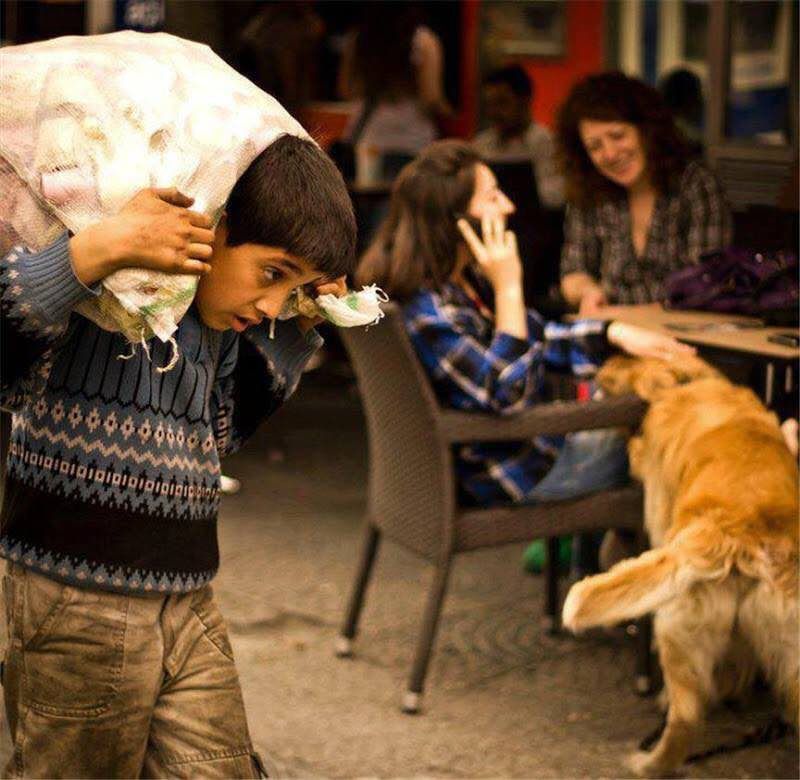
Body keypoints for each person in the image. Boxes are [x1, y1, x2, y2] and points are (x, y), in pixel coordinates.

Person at [0, 133, 356, 777]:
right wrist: (91, 253)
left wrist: (300, 327)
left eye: (293, 286)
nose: (273, 302)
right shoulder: (111, 286)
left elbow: (223, 431)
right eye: (272, 274)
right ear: (212, 228)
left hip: (187, 597)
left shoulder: (211, 322)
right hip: (73, 601)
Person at [356, 140, 693, 528]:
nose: (509, 208)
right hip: (512, 474)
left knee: (660, 435)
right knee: (671, 444)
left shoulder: (453, 286)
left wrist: (610, 333)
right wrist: (509, 288)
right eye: (493, 198)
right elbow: (507, 394)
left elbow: (534, 338)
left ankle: (596, 566)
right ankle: (618, 573)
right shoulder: (430, 312)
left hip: (508, 457)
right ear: (455, 220)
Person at [557, 71, 732, 316]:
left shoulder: (695, 185)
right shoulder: (589, 191)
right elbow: (573, 272)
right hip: (614, 332)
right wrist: (588, 292)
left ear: (647, 130)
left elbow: (706, 286)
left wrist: (625, 315)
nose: (609, 154)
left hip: (683, 335)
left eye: (617, 136)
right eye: (595, 146)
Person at [336, 3, 452, 180]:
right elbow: (431, 98)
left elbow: (346, 90)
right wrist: (451, 115)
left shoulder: (359, 39)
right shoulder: (423, 41)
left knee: (370, 199)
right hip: (412, 138)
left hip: (369, 138)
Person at [473, 64, 564, 209]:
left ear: (524, 101)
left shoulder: (547, 143)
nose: (493, 112)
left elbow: (556, 198)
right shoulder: (481, 144)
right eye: (489, 105)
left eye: (502, 103)